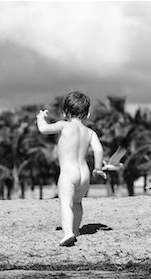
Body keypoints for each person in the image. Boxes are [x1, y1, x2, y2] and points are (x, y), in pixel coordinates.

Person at [36, 91, 107, 247]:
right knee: (77, 203)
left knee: (65, 204)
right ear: (87, 114)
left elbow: (43, 129)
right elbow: (99, 150)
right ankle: (76, 230)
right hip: (84, 173)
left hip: (69, 173)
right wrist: (97, 168)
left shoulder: (64, 125)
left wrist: (41, 117)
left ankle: (68, 233)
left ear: (64, 112)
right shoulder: (90, 132)